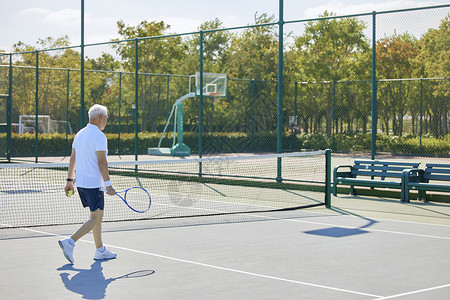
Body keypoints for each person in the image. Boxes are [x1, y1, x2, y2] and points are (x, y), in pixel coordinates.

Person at [59, 104, 117, 264]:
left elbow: (72, 159)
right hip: (94, 185)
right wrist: (108, 184)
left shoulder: (80, 134)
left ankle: (100, 250)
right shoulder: (99, 136)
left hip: (81, 184)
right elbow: (102, 162)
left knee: (95, 216)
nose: (106, 121)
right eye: (106, 118)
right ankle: (69, 242)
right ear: (100, 118)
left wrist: (69, 181)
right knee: (96, 217)